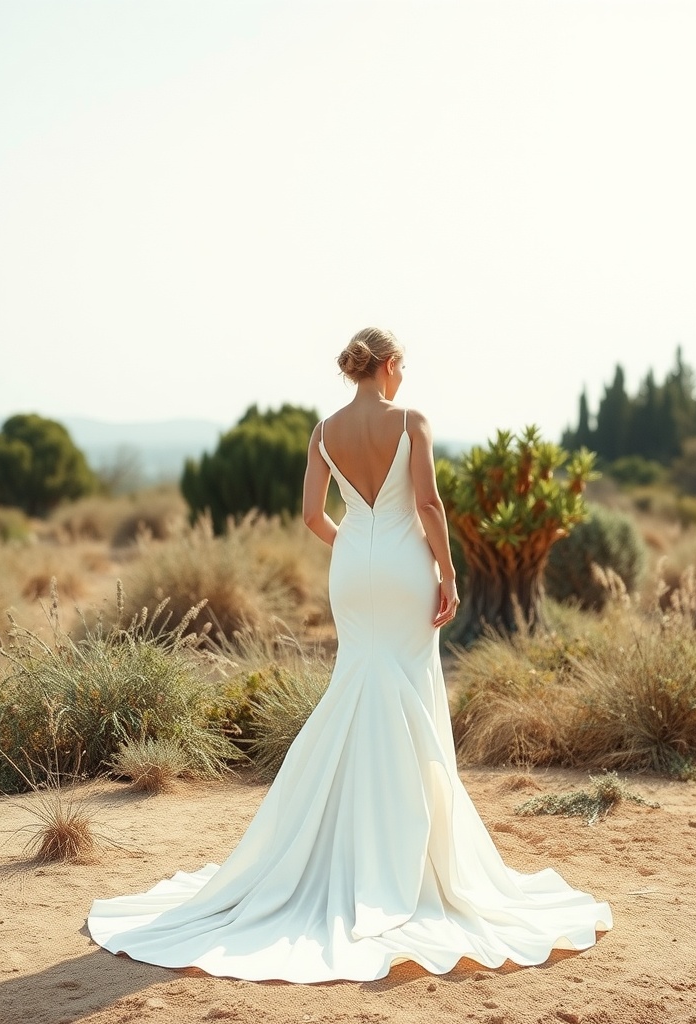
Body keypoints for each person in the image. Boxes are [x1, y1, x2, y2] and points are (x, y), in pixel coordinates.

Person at [87, 328, 612, 983]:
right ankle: (410, 855)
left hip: (354, 568)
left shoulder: (322, 431)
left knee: (357, 683)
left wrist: (352, 543)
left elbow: (312, 515)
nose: (400, 380)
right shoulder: (410, 420)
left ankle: (335, 843)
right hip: (403, 565)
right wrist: (447, 574)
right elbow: (427, 503)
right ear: (389, 366)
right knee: (410, 689)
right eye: (400, 369)